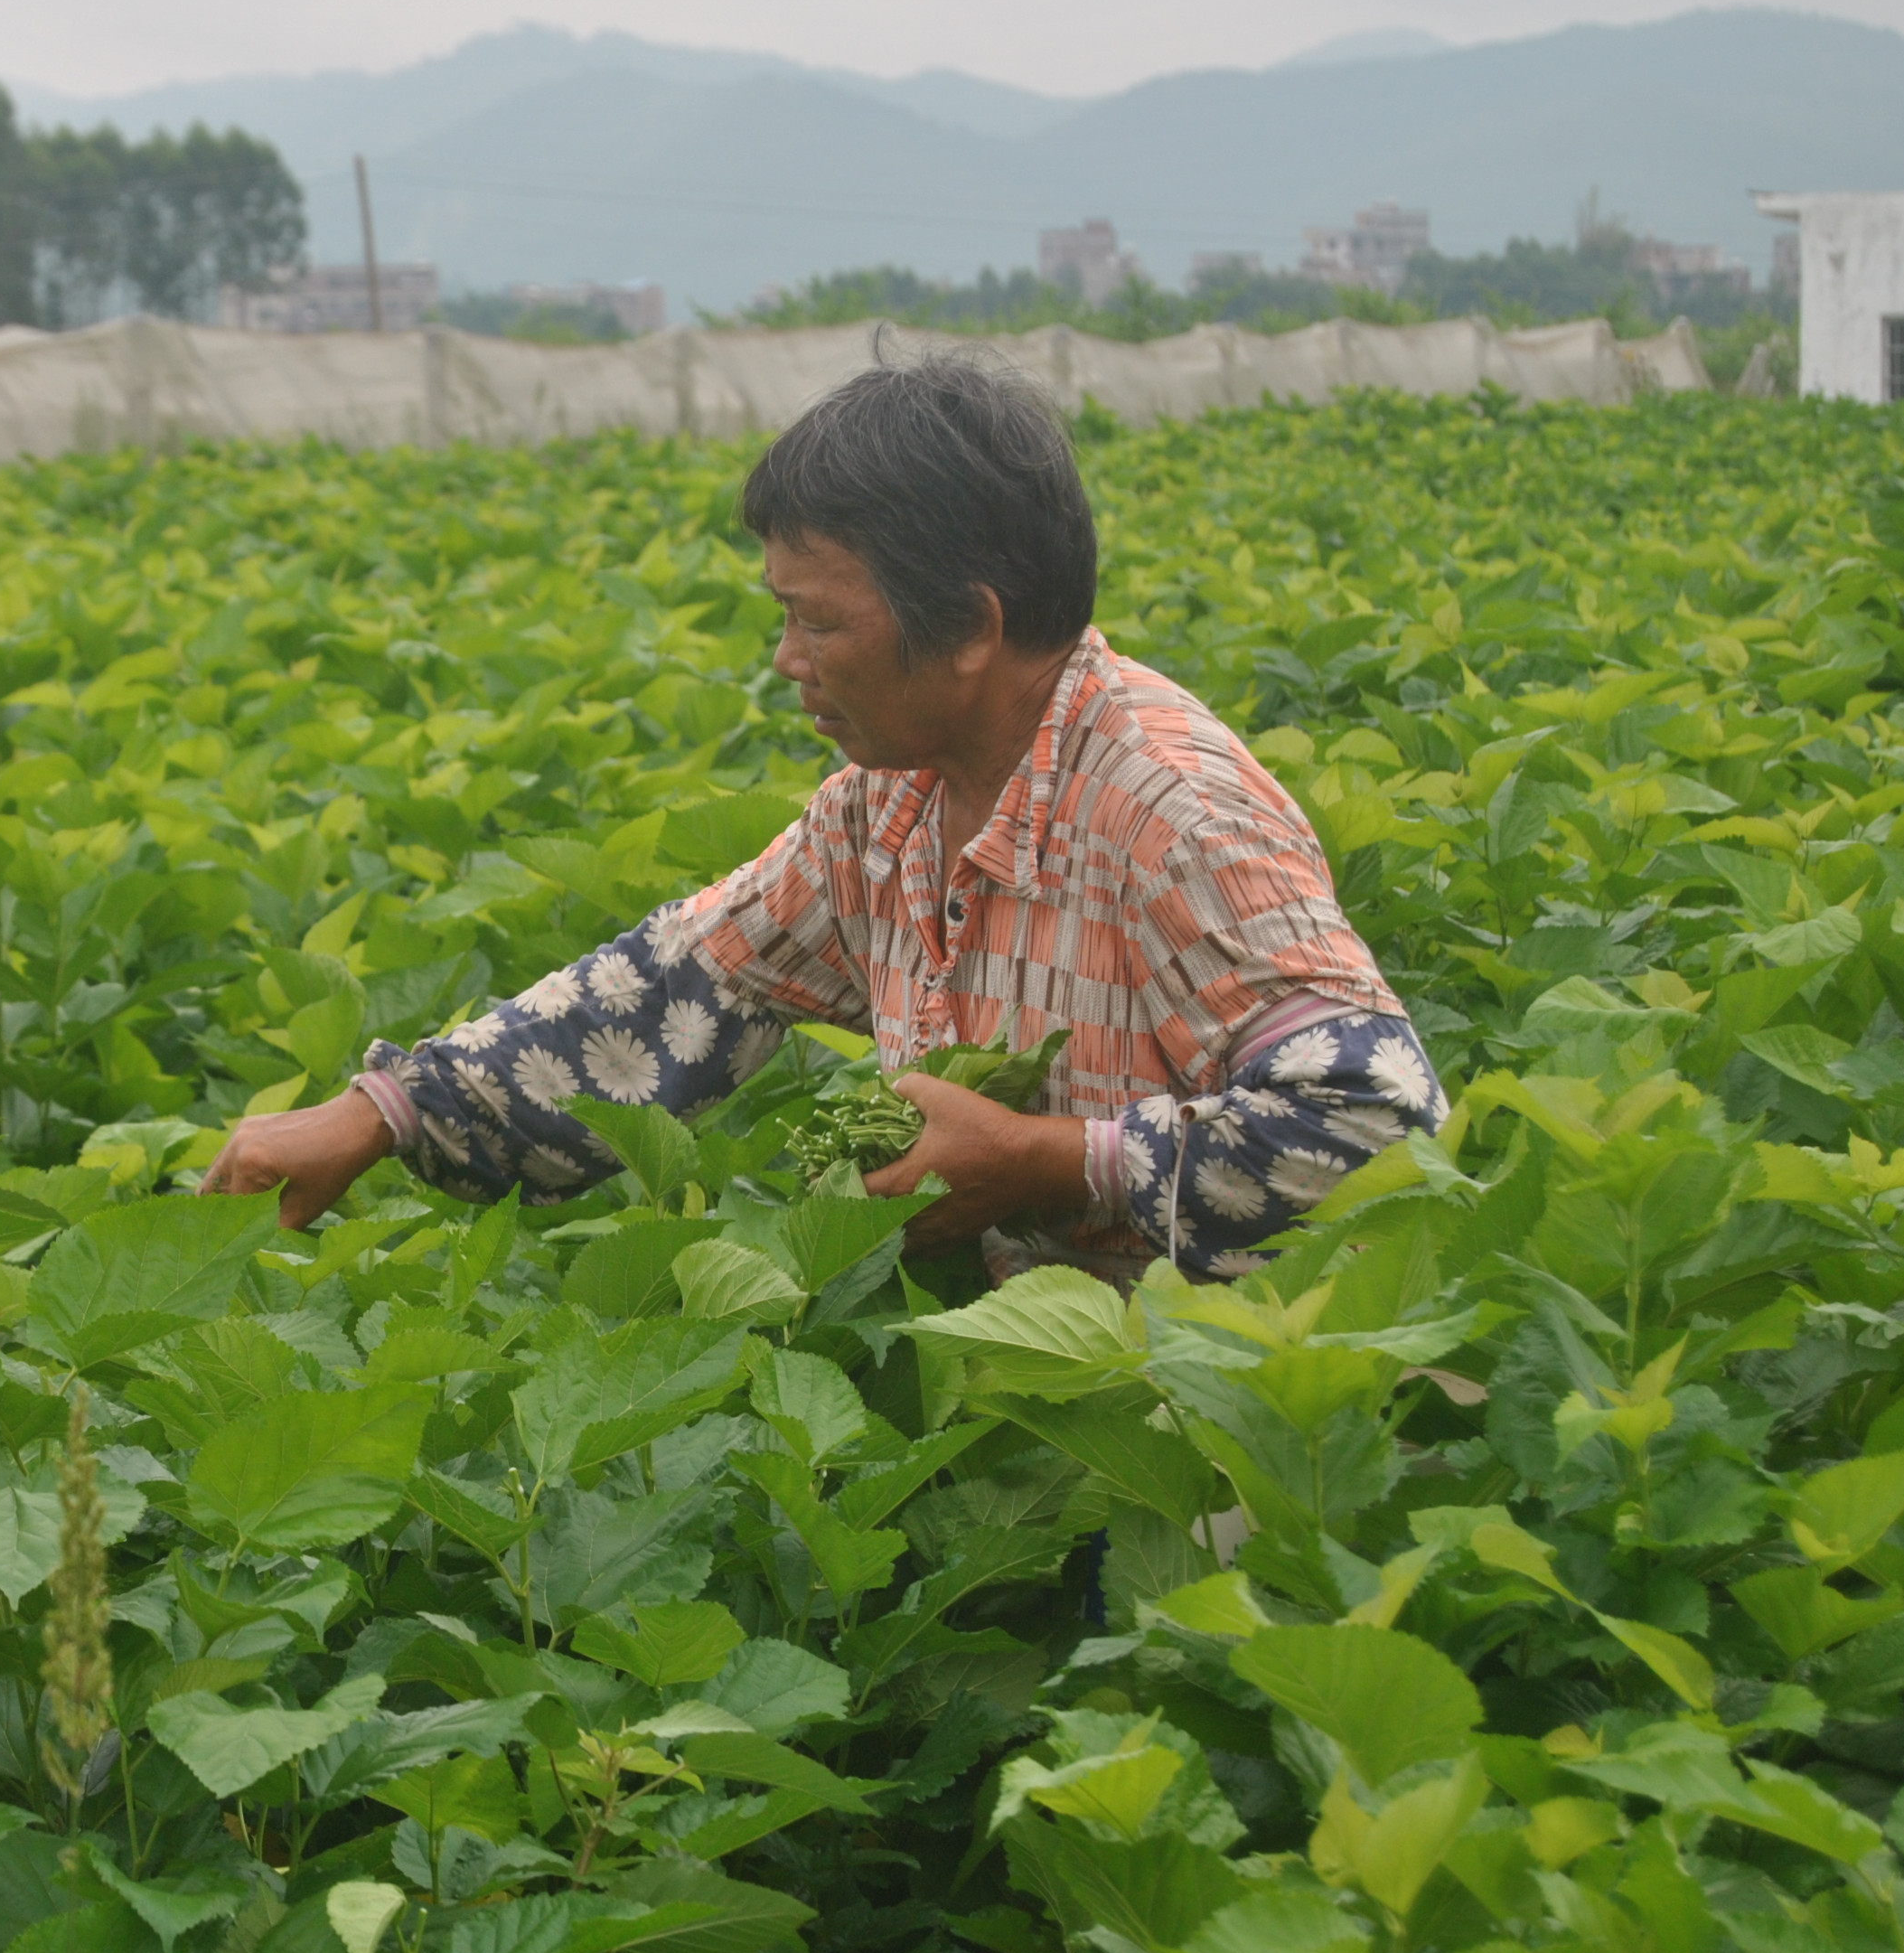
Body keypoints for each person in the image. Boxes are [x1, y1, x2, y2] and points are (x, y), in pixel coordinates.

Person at [202, 352, 1446, 1283]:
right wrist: (379, 1116)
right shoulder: (886, 809)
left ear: (969, 625)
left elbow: (1384, 1128)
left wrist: (1055, 1161)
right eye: (781, 615)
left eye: (820, 621)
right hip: (1016, 1399)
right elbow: (679, 989)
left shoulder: (1174, 813)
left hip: (1228, 1428)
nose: (789, 661)